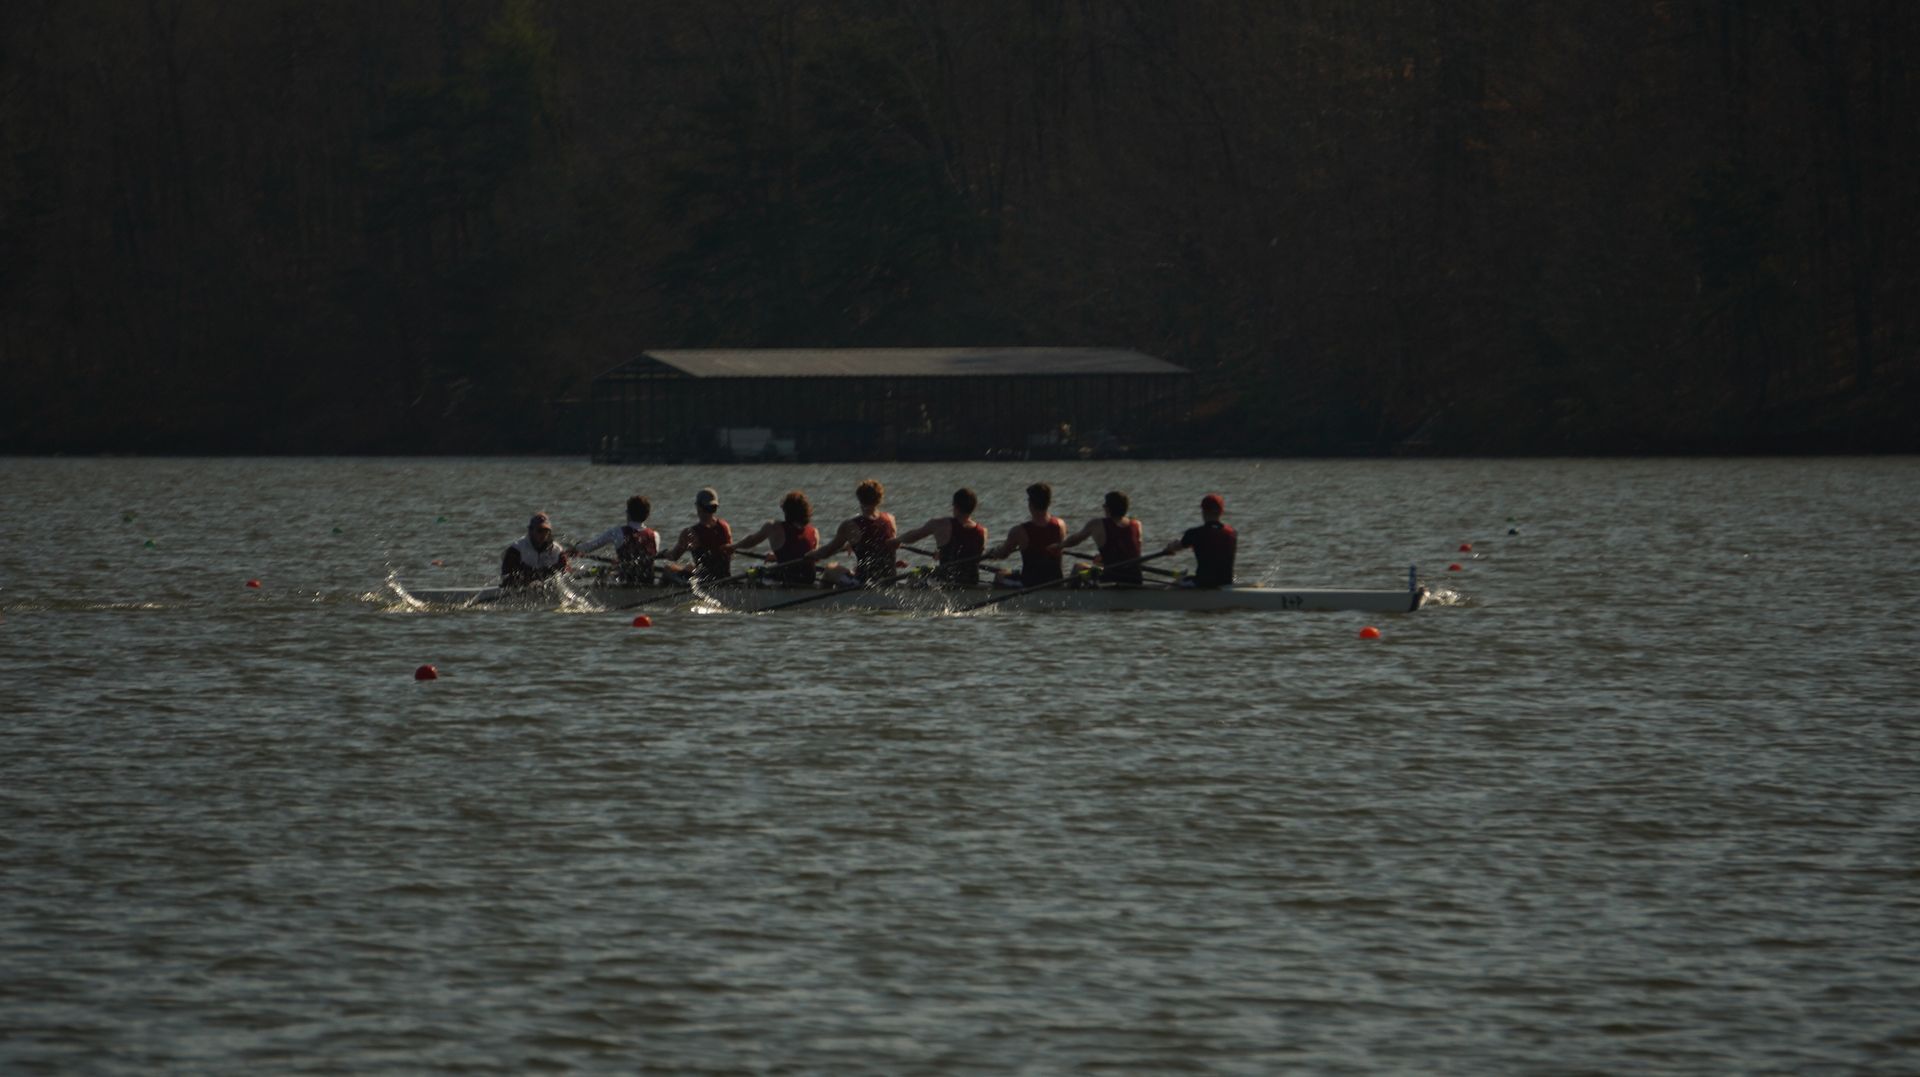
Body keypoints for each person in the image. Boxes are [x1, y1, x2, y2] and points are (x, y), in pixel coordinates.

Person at [808, 478, 897, 586]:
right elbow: (881, 544)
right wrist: (852, 544)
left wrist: (810, 554)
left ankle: (822, 601)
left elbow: (826, 552)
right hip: (889, 580)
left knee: (830, 569)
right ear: (880, 498)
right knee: (853, 569)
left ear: (859, 498)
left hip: (864, 582)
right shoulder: (890, 519)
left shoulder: (850, 525)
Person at [894, 488, 989, 586]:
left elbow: (914, 536)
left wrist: (896, 540)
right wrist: (944, 554)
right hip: (972, 581)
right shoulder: (982, 531)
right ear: (973, 507)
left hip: (948, 580)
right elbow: (970, 554)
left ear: (954, 505)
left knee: (916, 572)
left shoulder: (941, 524)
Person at [730, 490, 819, 586]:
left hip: (788, 579)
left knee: (753, 572)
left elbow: (752, 541)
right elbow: (813, 558)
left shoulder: (774, 527)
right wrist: (779, 557)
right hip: (809, 579)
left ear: (786, 511)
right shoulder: (814, 532)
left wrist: (733, 547)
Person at [986, 482, 1066, 587]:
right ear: (1049, 502)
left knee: (1000, 575)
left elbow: (1003, 553)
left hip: (1030, 583)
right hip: (1056, 582)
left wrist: (993, 553)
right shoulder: (1061, 525)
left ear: (1030, 504)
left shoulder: (1019, 531)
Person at [1061, 490, 1145, 585]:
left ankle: (1071, 597)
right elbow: (1127, 553)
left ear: (1108, 509)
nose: (1103, 508)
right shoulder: (1137, 524)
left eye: (1104, 505)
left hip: (1110, 576)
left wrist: (1058, 546)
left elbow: (1074, 540)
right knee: (1099, 567)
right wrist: (1104, 559)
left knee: (1079, 568)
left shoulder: (1097, 524)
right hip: (1136, 578)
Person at [571, 494, 659, 585]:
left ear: (628, 513)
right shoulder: (655, 535)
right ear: (647, 515)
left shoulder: (617, 532)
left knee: (602, 572)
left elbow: (589, 547)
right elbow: (643, 555)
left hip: (625, 582)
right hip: (648, 581)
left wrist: (575, 548)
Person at [1164, 493, 1237, 587]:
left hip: (1203, 583)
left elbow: (1177, 547)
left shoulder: (1194, 533)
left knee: (1175, 584)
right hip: (1227, 582)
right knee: (1234, 577)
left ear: (1203, 511)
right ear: (1221, 511)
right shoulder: (1232, 533)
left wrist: (1169, 548)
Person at [663, 487, 733, 583]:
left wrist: (663, 553)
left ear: (698, 507)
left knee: (668, 568)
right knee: (690, 566)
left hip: (705, 581)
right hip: (725, 578)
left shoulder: (690, 533)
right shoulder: (725, 526)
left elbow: (674, 556)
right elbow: (730, 555)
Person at [501, 512, 569, 587]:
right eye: (539, 530)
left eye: (546, 531)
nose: (543, 534)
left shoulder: (558, 551)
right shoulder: (516, 550)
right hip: (522, 588)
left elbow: (565, 573)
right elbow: (506, 576)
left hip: (549, 586)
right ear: (530, 530)